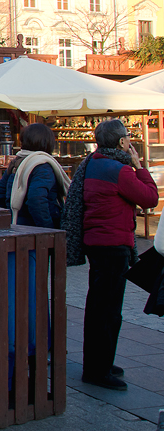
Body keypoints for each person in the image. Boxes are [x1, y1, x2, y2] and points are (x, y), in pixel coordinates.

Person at [63, 119, 158, 391]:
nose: (130, 141)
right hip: (113, 245)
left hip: (97, 242)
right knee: (108, 310)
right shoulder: (120, 170)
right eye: (128, 137)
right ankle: (97, 370)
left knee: (98, 306)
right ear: (121, 142)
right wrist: (139, 166)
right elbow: (150, 198)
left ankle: (100, 361)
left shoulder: (92, 163)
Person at [0, 123, 71, 228]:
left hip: (16, 225)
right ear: (48, 142)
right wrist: (48, 229)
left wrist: (13, 216)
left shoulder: (17, 162)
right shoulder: (43, 166)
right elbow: (36, 200)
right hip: (35, 229)